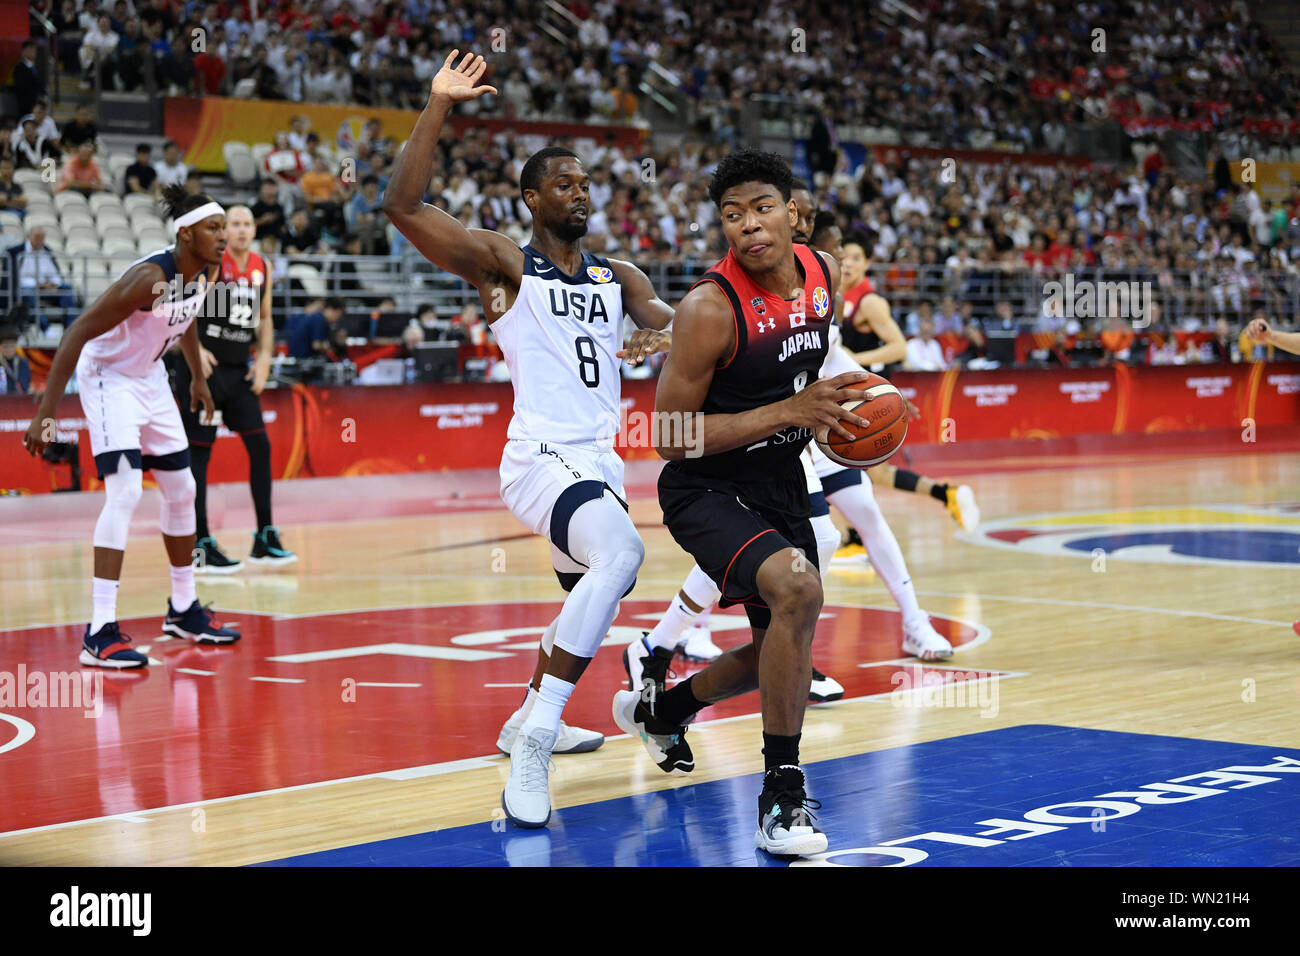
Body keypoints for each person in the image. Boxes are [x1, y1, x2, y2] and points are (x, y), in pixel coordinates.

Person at [384, 50, 672, 829]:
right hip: (539, 457)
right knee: (621, 557)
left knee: (589, 598)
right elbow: (404, 207)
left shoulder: (622, 277)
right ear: (532, 197)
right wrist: (439, 103)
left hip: (601, 462)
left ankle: (522, 715)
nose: (582, 192)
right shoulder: (505, 264)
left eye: (588, 183)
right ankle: (537, 738)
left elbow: (676, 328)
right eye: (566, 183)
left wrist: (671, 340)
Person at [611, 148, 861, 857]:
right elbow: (669, 437)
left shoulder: (823, 274)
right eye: (731, 215)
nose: (748, 226)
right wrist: (790, 411)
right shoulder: (707, 308)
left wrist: (850, 410)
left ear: (793, 212)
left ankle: (664, 709)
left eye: (761, 208)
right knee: (797, 587)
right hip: (705, 485)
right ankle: (782, 795)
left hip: (778, 480)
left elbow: (809, 379)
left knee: (769, 654)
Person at [21, 184, 241, 668]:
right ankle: (99, 631)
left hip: (150, 378)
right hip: (109, 378)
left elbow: (186, 321)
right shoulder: (147, 278)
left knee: (182, 488)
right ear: (185, 235)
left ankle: (184, 609)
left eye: (225, 227)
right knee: (125, 492)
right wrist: (48, 412)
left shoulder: (208, 269)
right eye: (214, 228)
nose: (224, 237)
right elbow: (78, 332)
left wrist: (198, 381)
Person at [172, 204, 297, 573]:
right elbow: (181, 307)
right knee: (200, 456)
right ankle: (200, 543)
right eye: (233, 224)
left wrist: (264, 360)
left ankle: (264, 537)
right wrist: (196, 351)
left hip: (239, 370)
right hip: (204, 371)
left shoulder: (263, 267)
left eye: (246, 224)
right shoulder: (211, 262)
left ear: (255, 229)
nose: (240, 231)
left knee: (260, 445)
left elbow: (266, 317)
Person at [834, 230, 979, 542]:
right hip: (854, 393)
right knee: (878, 475)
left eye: (856, 258)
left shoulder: (870, 302)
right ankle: (945, 493)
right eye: (843, 256)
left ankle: (852, 539)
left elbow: (899, 347)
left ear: (868, 263)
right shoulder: (837, 297)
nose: (848, 264)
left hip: (867, 397)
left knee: (825, 469)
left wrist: (854, 357)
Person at [18, 227, 77, 331]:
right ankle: (46, 328)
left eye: (42, 238)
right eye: (37, 237)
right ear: (29, 237)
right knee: (26, 293)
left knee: (67, 288)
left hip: (46, 289)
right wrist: (39, 285)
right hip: (29, 289)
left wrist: (53, 284)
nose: (40, 241)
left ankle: (70, 328)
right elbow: (19, 278)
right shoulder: (20, 252)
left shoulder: (46, 251)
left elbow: (55, 274)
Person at [0, 325, 31, 395]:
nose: (9, 350)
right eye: (5, 347)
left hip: (17, 400)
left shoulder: (23, 363)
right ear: (0, 347)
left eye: (12, 346)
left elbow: (25, 385)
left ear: (16, 346)